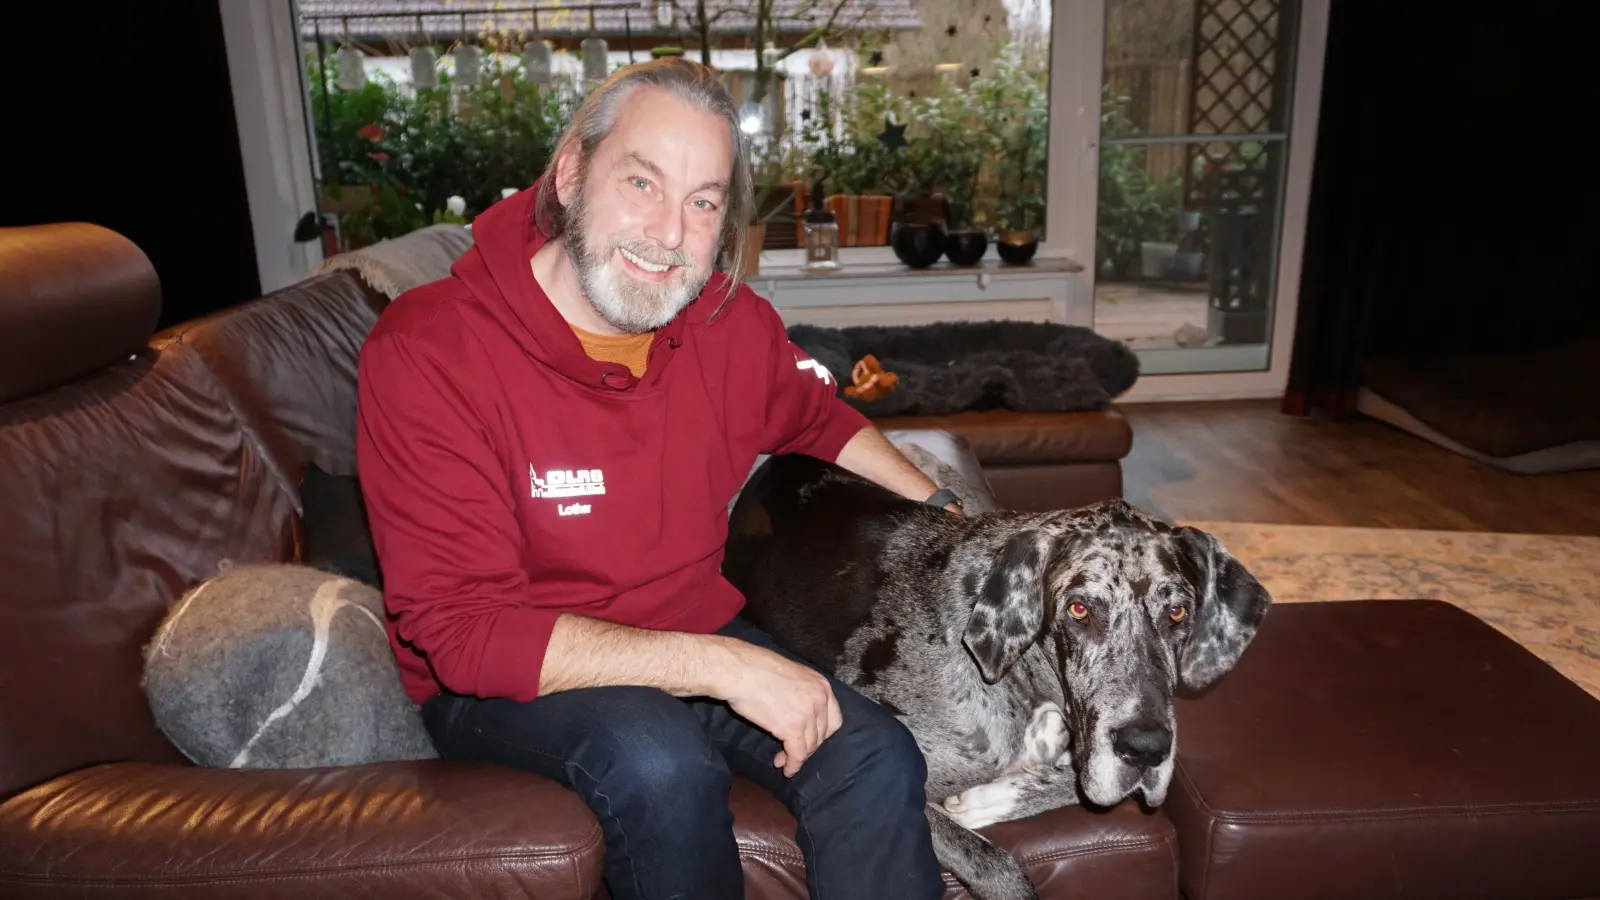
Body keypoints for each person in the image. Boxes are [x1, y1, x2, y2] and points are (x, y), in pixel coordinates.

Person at [355, 58, 959, 900]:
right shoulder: (431, 350)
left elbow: (816, 419)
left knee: (873, 753)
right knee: (658, 763)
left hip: (682, 628)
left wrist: (945, 512)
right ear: (569, 174)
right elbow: (463, 629)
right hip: (508, 669)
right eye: (642, 183)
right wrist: (721, 668)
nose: (671, 233)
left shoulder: (724, 320)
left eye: (703, 202)